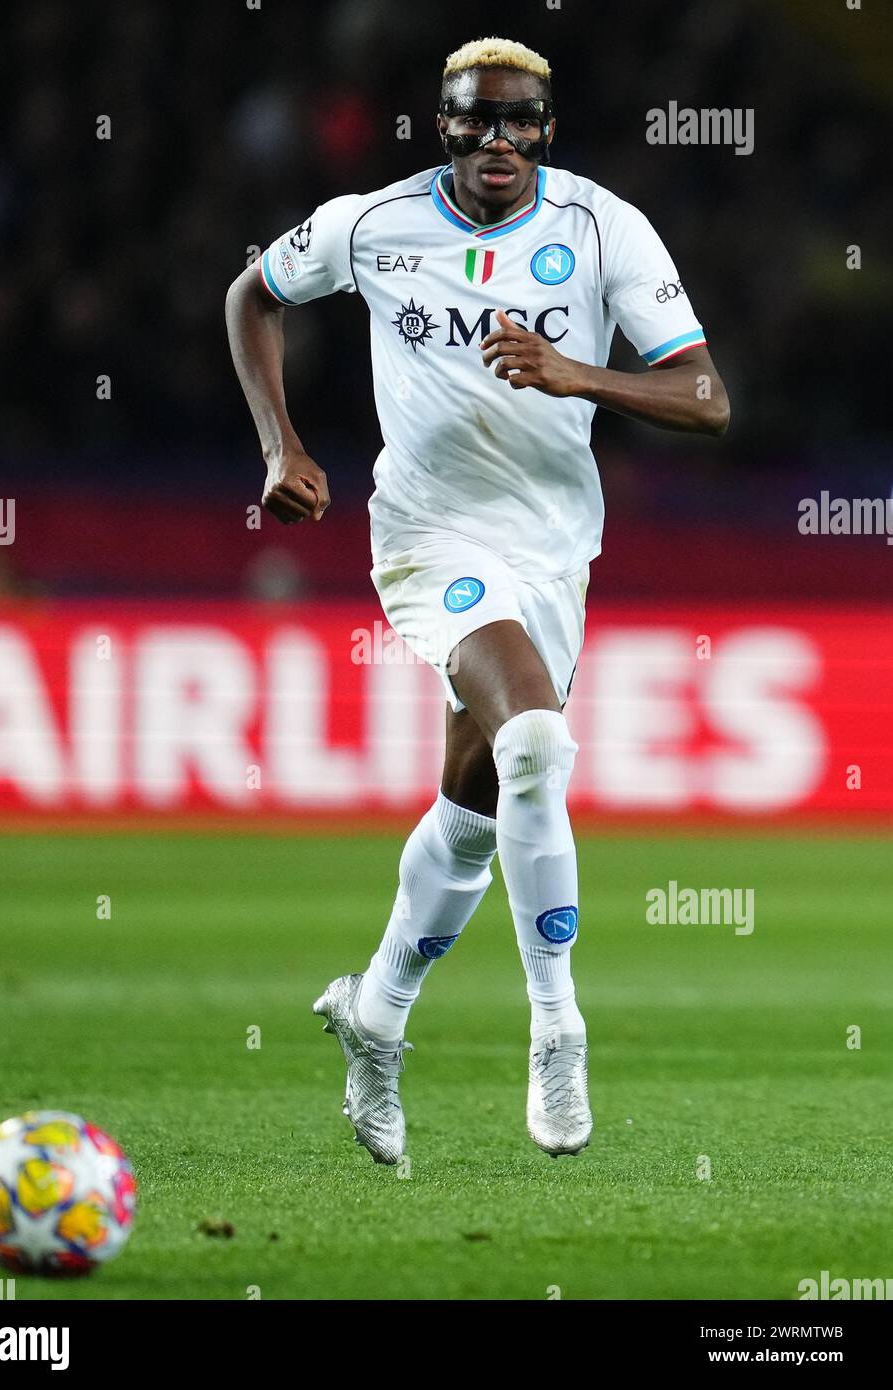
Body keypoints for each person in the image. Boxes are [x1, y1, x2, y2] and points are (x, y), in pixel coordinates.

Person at [226, 35, 729, 1165]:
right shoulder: (372, 223)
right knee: (539, 745)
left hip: (554, 545)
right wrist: (281, 446)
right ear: (440, 123)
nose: (495, 141)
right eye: (473, 119)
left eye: (519, 121)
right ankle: (558, 1025)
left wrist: (579, 374)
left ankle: (379, 1012)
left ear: (548, 129)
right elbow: (252, 293)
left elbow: (707, 398)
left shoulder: (603, 229)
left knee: (475, 803)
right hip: (427, 536)